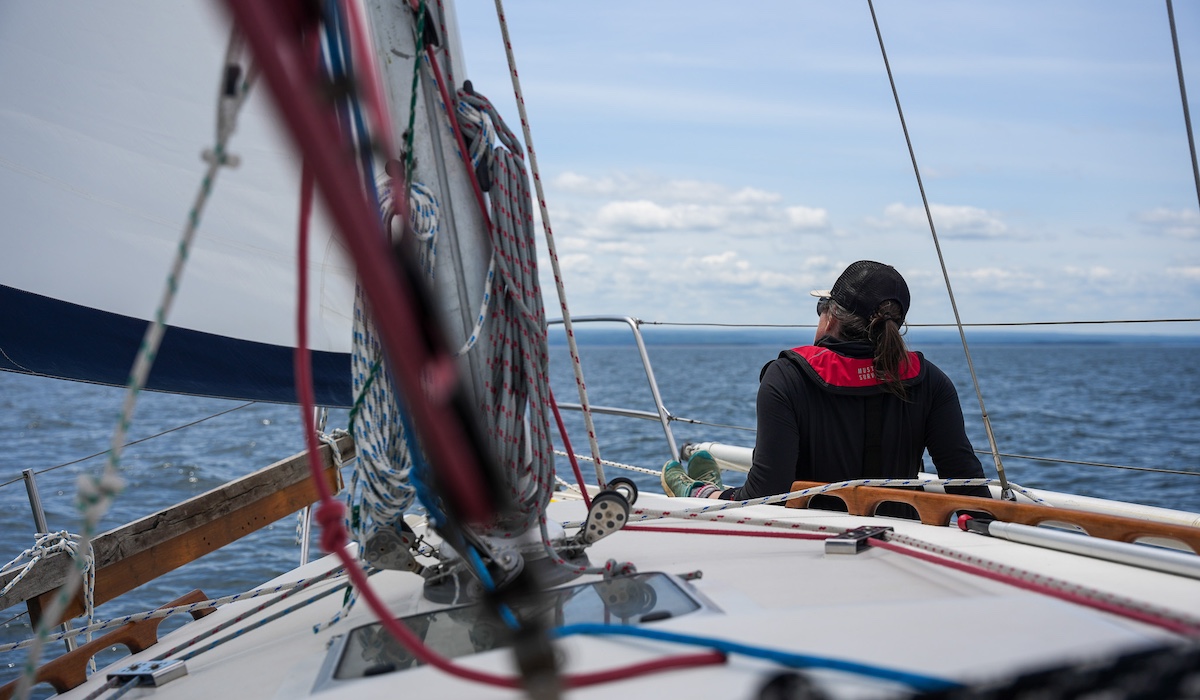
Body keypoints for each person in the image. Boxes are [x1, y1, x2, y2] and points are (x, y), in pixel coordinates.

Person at [662, 260, 991, 510]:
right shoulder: (930, 380)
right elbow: (967, 486)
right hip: (900, 532)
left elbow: (767, 494)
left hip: (808, 534)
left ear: (831, 315)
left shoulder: (787, 377)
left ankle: (697, 488)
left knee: (707, 491)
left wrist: (709, 496)